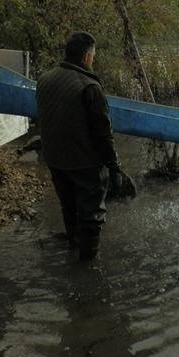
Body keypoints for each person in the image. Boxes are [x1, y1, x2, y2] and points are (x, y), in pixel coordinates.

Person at [36, 32, 123, 261]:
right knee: (92, 214)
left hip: (54, 158)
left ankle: (73, 246)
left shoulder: (45, 79)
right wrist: (114, 166)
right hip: (84, 162)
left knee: (68, 205)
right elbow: (103, 133)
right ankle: (87, 265)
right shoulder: (89, 87)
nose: (92, 59)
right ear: (86, 57)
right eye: (93, 55)